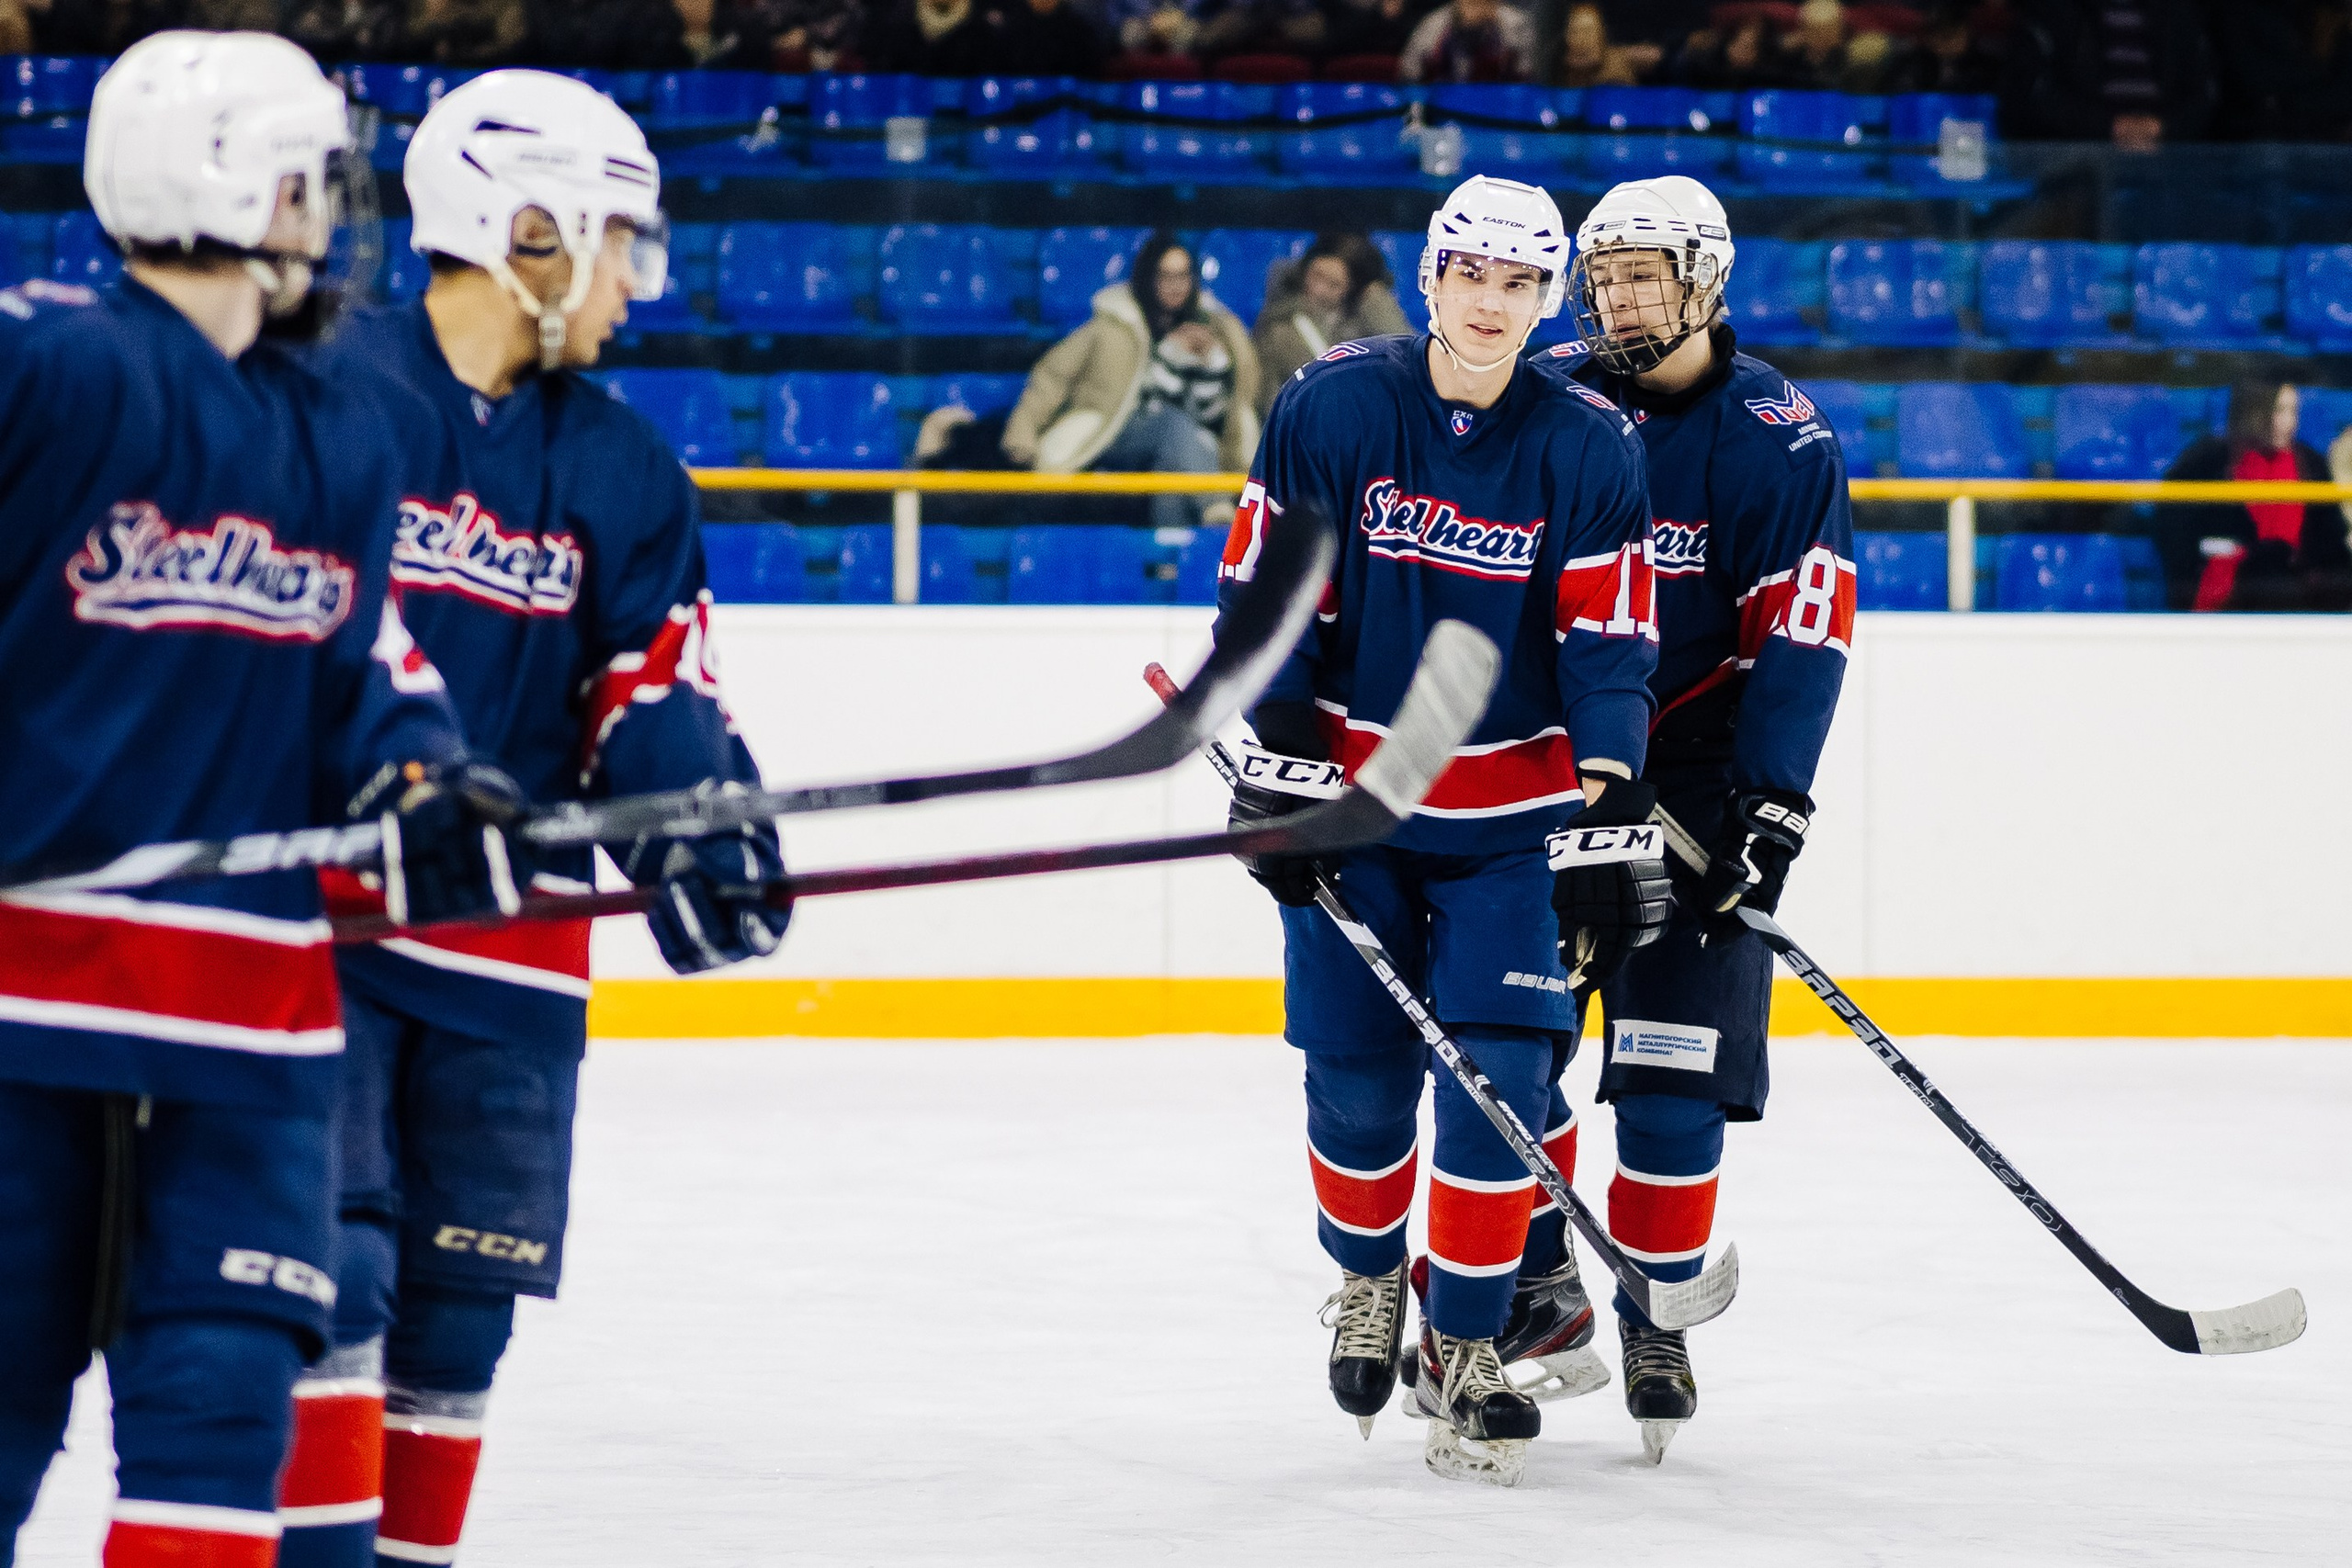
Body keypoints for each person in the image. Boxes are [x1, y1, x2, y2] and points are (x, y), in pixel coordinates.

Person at [0, 31, 522, 1567]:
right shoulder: (49, 368)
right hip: (31, 1007)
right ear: (256, 184)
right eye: (317, 179)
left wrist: (426, 769)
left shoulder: (338, 428)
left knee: (226, 1402)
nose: (332, 213)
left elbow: (362, 660)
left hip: (250, 1016)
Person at [270, 72, 792, 1568]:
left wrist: (697, 822)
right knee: (333, 1280)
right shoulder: (324, 389)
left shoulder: (624, 465)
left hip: (511, 954)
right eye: (620, 241)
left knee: (457, 1312)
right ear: (528, 225)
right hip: (330, 934)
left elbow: (653, 679)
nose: (640, 283)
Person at [1216, 174, 1665, 1486]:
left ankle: (1463, 1341)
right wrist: (1281, 762)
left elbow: (1608, 638)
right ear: (1430, 277)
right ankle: (1366, 1277)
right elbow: (1268, 586)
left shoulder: (1588, 439)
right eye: (1472, 274)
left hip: (1511, 821)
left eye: (1523, 283)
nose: (1493, 301)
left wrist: (1615, 795)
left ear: (1548, 297)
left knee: (1502, 1090)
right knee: (1355, 1083)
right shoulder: (1336, 402)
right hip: (1359, 801)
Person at [1529, 174, 1855, 1462]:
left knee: (1670, 1090)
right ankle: (1530, 1271)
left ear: (1708, 279)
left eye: (1642, 274)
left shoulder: (1777, 436)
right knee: (1512, 1047)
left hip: (1703, 789)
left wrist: (1772, 802)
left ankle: (1656, 1306)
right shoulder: (1546, 393)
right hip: (1553, 780)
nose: (1616, 297)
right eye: (1601, 275)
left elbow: (1804, 627)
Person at [1002, 232, 1261, 535]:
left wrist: (1209, 358)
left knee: (1178, 453)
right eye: (1165, 276)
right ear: (1147, 278)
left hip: (1188, 441)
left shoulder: (1216, 328)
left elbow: (1237, 394)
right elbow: (1052, 376)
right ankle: (1216, 509)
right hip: (1113, 430)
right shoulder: (1113, 326)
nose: (1175, 285)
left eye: (1182, 276)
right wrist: (1021, 435)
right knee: (1174, 427)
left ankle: (1169, 553)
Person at [2154, 381, 2352, 613]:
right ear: (2248, 412)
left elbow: (2331, 544)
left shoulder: (2311, 465)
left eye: (2291, 411)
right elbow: (2174, 528)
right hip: (2227, 595)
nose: (2283, 422)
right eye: (2276, 410)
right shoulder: (2207, 461)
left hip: (2297, 597)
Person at [1251, 232, 1408, 414]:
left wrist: (1378, 303)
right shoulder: (1279, 328)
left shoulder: (1369, 331)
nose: (1319, 289)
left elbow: (1407, 372)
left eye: (1333, 284)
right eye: (1316, 275)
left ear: (1352, 290)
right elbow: (1267, 399)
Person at [1397, 0, 1536, 83]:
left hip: (1498, 108)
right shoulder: (1435, 25)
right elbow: (1410, 73)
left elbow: (1525, 75)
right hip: (1446, 109)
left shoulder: (1515, 25)